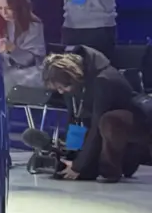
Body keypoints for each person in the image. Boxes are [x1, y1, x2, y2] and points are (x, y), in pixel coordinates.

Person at [42, 47, 149, 182]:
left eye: (62, 87)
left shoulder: (104, 80)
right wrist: (72, 157)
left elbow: (96, 127)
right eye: (58, 89)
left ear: (73, 76)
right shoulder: (74, 85)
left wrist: (78, 166)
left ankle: (110, 170)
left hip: (131, 128)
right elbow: (74, 119)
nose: (61, 92)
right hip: (102, 132)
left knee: (108, 121)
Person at [0, 0, 46, 92]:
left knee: (6, 79)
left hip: (29, 73)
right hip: (5, 70)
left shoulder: (33, 26)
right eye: (0, 8)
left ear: (18, 6)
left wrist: (12, 48)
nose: (4, 13)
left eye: (8, 8)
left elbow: (29, 61)